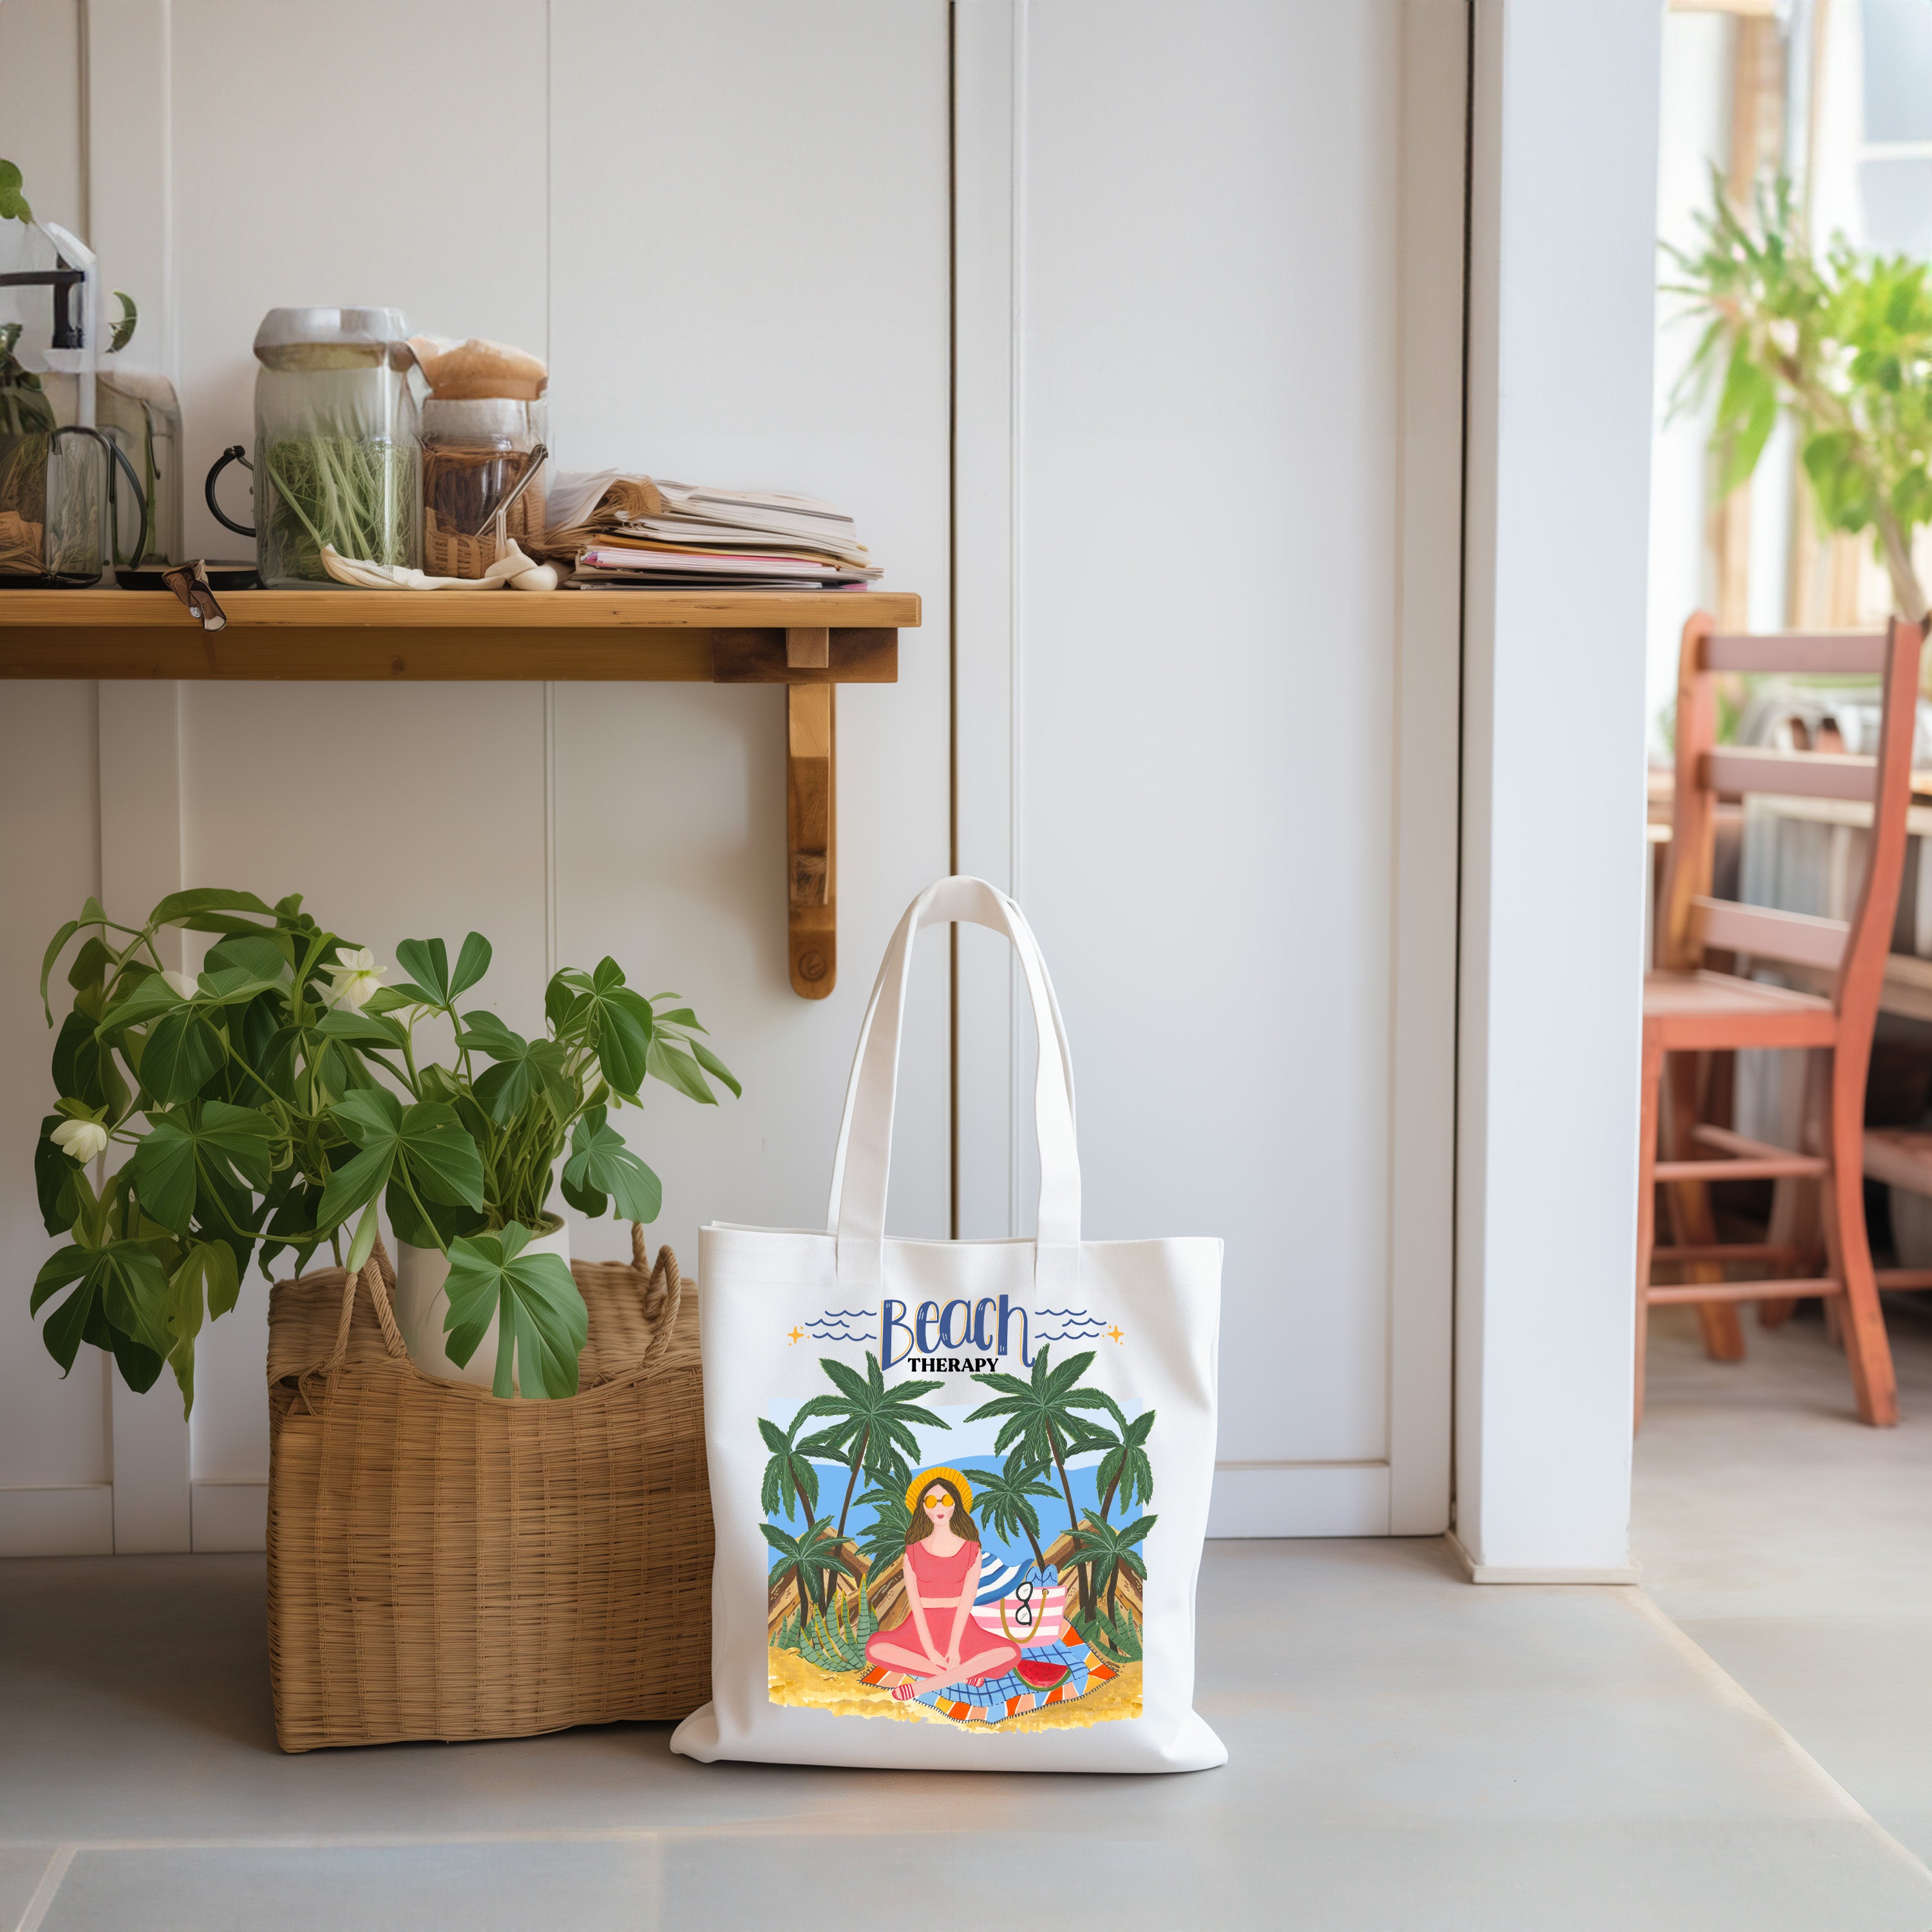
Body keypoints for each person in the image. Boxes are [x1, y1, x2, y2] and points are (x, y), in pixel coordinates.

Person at [865, 1468, 1023, 1701]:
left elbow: (966, 1602)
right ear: (923, 1508)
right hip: (920, 1629)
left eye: (946, 1500)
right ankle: (962, 1675)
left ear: (956, 1504)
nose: (939, 1508)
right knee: (875, 1648)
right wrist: (929, 1649)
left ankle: (923, 1687)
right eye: (931, 1502)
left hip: (961, 1628)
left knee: (1011, 1653)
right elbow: (915, 1604)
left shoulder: (972, 1550)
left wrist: (954, 1647)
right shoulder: (912, 1551)